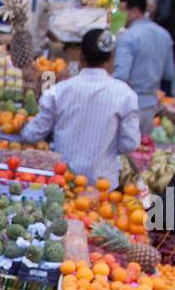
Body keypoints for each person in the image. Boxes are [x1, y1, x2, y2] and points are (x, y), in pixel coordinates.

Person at [21, 28, 140, 186]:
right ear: (111, 58)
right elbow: (129, 144)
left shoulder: (59, 91)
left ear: (80, 57)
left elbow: (32, 134)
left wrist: (23, 126)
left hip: (62, 180)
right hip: (103, 188)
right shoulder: (126, 95)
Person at [114, 0, 175, 134]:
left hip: (127, 107)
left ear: (134, 11)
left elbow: (121, 75)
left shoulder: (128, 37)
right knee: (142, 152)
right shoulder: (164, 34)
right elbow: (169, 74)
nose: (120, 16)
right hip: (150, 108)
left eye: (122, 11)